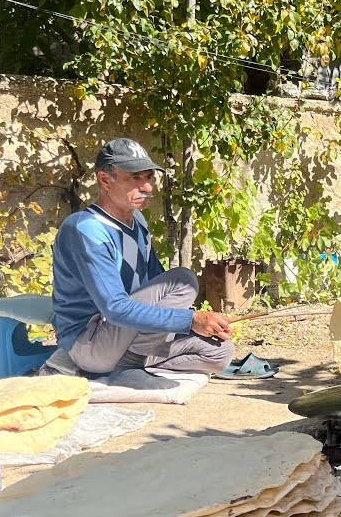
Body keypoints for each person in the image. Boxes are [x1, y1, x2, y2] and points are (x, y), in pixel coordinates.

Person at [44, 138, 234, 377]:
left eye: (148, 177)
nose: (147, 187)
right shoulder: (86, 230)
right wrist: (190, 320)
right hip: (90, 343)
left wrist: (201, 322)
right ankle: (125, 364)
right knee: (183, 279)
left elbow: (156, 282)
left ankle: (129, 364)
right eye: (135, 178)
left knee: (220, 351)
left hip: (127, 338)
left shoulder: (138, 222)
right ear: (105, 180)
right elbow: (114, 308)